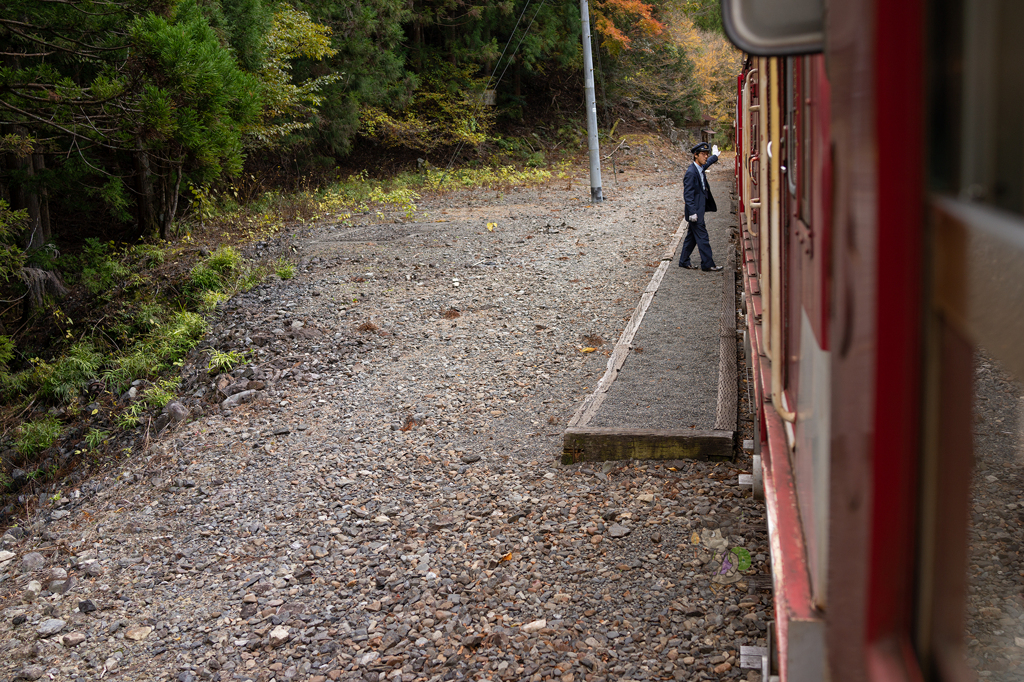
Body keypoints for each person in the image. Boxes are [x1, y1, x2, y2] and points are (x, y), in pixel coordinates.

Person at [679, 142, 724, 272]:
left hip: (699, 209)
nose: (706, 156)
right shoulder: (691, 173)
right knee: (703, 237)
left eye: (707, 154)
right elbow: (688, 195)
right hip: (695, 212)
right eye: (703, 154)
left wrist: (715, 156)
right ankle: (708, 264)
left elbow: (708, 162)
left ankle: (683, 261)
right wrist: (692, 212)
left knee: (691, 238)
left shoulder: (699, 168)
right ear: (696, 155)